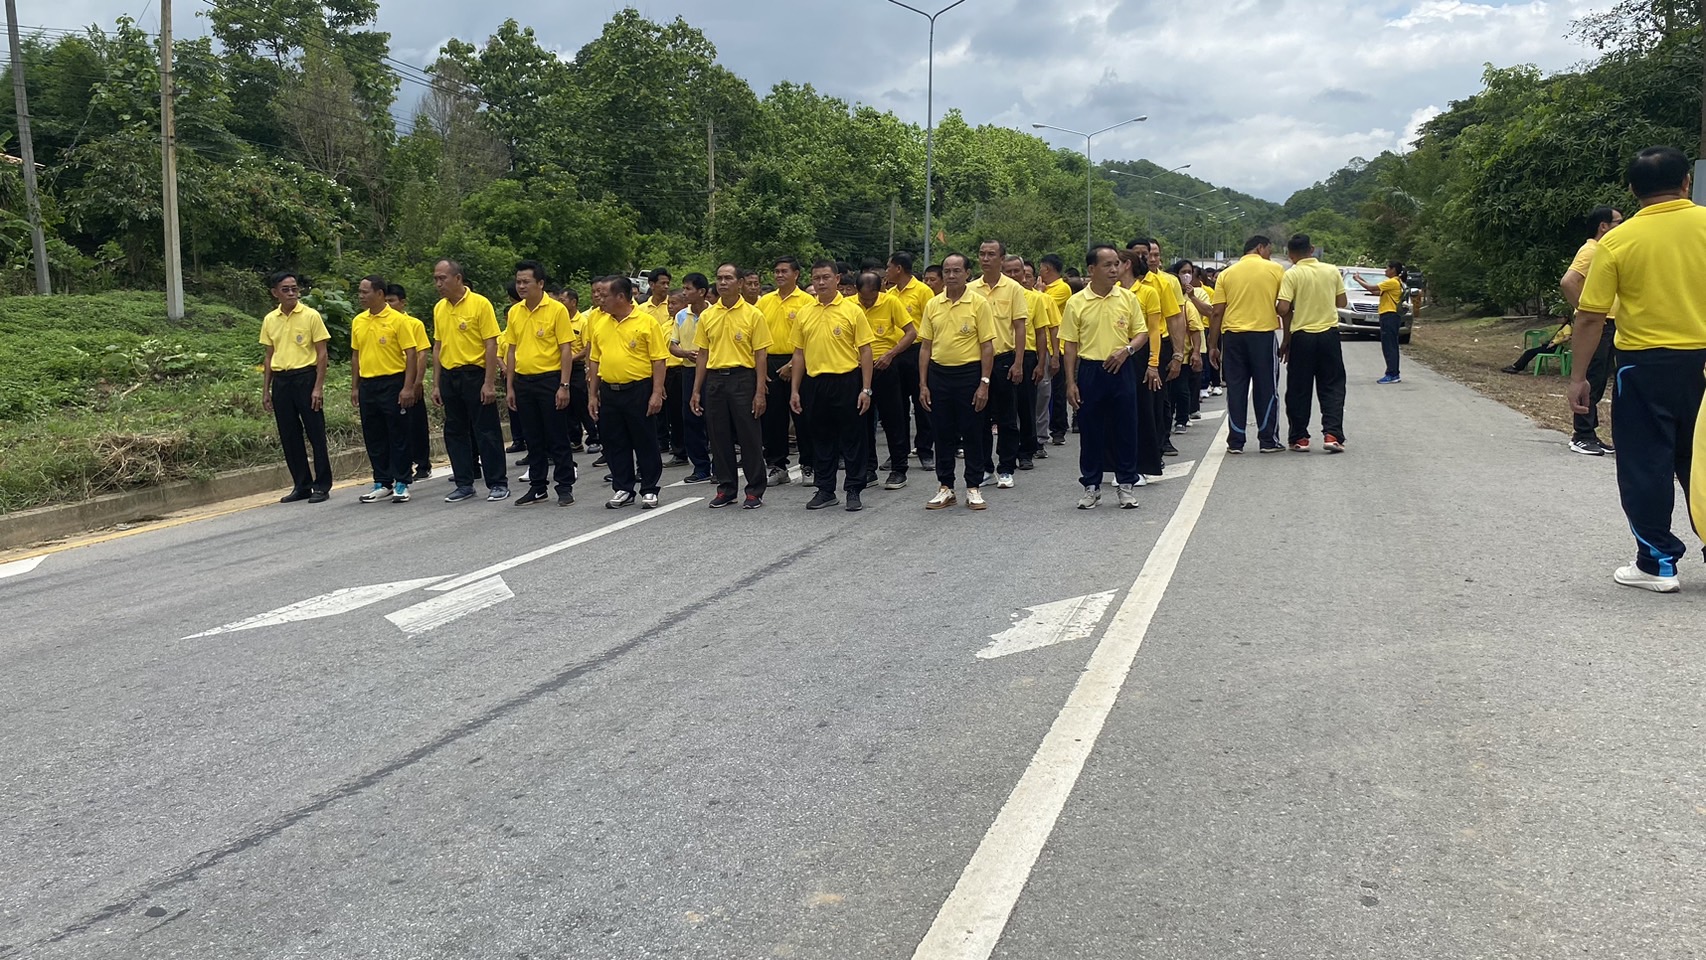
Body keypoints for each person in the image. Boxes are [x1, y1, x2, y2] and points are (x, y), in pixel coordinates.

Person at [1569, 146, 1706, 593]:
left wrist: (1579, 378)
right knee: (1703, 460)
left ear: (1632, 190)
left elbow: (1590, 316)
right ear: (1686, 182)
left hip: (1644, 368)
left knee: (1645, 464)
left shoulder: (1616, 241)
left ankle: (1657, 563)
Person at [1062, 245, 1155, 509]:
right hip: (1091, 370)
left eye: (1117, 264)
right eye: (1108, 265)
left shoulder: (1127, 298)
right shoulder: (1076, 302)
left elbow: (1141, 333)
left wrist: (1127, 350)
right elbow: (1070, 344)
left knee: (1126, 428)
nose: (1115, 269)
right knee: (1090, 430)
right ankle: (1091, 486)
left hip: (1122, 369)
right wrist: (1071, 382)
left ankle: (1126, 485)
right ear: (1092, 269)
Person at [791, 260, 876, 512]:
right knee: (821, 438)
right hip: (815, 383)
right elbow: (799, 353)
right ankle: (825, 489)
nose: (821, 282)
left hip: (847, 380)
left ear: (837, 279)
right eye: (816, 278)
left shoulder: (852, 310)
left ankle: (854, 489)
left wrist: (866, 389)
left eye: (826, 277)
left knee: (853, 438)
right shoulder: (805, 312)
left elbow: (866, 350)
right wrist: (795, 390)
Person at [917, 252, 995, 510]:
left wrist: (984, 382)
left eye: (956, 271)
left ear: (967, 274)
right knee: (942, 433)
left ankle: (973, 486)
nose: (951, 276)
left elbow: (987, 346)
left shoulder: (979, 303)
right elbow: (926, 347)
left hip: (969, 375)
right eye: (947, 271)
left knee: (972, 432)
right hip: (939, 375)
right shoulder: (933, 304)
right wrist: (923, 384)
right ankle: (945, 487)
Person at [691, 263, 772, 509]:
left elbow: (760, 355)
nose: (723, 282)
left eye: (728, 278)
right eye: (719, 278)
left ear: (740, 283)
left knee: (749, 436)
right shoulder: (708, 315)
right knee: (718, 437)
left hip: (743, 378)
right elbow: (703, 354)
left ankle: (754, 490)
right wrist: (696, 390)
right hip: (715, 380)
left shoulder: (753, 314)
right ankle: (726, 489)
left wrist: (760, 391)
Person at [431, 259, 509, 503]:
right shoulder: (440, 308)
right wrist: (436, 383)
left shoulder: (480, 304)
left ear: (458, 278)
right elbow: (438, 346)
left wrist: (489, 382)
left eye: (443, 278)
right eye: (435, 279)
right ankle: (464, 483)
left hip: (475, 374)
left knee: (486, 430)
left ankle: (497, 483)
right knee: (454, 431)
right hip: (450, 376)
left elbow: (490, 344)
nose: (438, 284)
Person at [588, 276, 669, 509]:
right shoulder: (600, 323)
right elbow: (594, 361)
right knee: (614, 441)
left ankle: (649, 489)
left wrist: (656, 393)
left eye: (605, 295)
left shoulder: (646, 322)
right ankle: (623, 488)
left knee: (645, 440)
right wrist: (592, 395)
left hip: (638, 389)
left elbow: (658, 360)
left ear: (621, 297)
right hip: (610, 391)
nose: (600, 299)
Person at [503, 261, 577, 507]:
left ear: (541, 283)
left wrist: (564, 385)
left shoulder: (556, 310)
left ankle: (564, 485)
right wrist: (510, 387)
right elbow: (511, 351)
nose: (521, 286)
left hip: (550, 380)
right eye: (518, 282)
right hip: (523, 381)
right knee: (532, 437)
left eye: (526, 282)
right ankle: (537, 487)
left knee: (556, 435)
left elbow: (565, 349)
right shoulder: (515, 312)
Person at [350, 274, 426, 503]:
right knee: (374, 435)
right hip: (368, 384)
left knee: (398, 434)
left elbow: (411, 354)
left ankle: (402, 481)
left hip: (393, 382)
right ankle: (382, 482)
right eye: (360, 292)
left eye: (365, 292)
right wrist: (355, 387)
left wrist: (408, 387)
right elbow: (356, 355)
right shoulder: (358, 321)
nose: (361, 296)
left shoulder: (398, 320)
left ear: (380, 293)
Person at [258, 270, 332, 503]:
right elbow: (269, 356)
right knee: (289, 435)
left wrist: (318, 387)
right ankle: (302, 485)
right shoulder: (270, 319)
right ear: (275, 293)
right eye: (285, 290)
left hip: (306, 377)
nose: (291, 293)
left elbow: (322, 354)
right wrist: (266, 390)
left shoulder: (311, 316)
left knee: (315, 432)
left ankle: (322, 485)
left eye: (294, 289)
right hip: (282, 381)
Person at [1559, 205, 1625, 455]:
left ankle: (1591, 434)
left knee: (1600, 379)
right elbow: (1568, 281)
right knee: (1592, 379)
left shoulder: (1605, 250)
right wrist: (1585, 310)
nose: (1622, 226)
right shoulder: (1591, 250)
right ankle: (1582, 435)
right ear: (1603, 226)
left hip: (1609, 324)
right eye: (1618, 222)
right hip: (1598, 324)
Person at [1210, 237, 1287, 454]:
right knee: (1267, 389)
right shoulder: (1275, 270)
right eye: (1269, 250)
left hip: (1233, 338)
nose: (1269, 254)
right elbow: (1284, 307)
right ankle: (1268, 440)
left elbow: (1217, 312)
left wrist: (1213, 344)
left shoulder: (1226, 274)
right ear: (1260, 248)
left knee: (1236, 389)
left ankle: (1236, 441)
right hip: (1262, 336)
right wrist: (1287, 338)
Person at [1275, 234, 1349, 453]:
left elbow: (1283, 308)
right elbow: (1342, 302)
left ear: (1290, 254)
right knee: (1332, 385)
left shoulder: (1292, 274)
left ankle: (1300, 438)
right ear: (1312, 249)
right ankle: (1332, 435)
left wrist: (1286, 337)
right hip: (1329, 335)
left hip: (1302, 336)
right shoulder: (1331, 270)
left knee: (1299, 388)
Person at [968, 240, 1029, 490]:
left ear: (1001, 259)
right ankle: (984, 468)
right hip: (976, 361)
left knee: (1006, 418)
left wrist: (1018, 362)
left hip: (1004, 359)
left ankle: (1006, 468)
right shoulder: (970, 289)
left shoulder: (1013, 288)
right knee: (978, 417)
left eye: (991, 254)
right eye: (982, 254)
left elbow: (1020, 327)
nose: (985, 258)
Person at [757, 256, 817, 484]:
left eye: (784, 271)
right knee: (773, 418)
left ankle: (809, 465)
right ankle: (777, 465)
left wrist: (792, 364)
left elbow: (811, 338)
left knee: (803, 416)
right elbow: (756, 338)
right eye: (776, 271)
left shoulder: (807, 301)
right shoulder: (765, 302)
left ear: (796, 274)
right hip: (770, 362)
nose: (779, 275)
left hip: (799, 362)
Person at [856, 270, 918, 490]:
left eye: (871, 298)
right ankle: (868, 469)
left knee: (893, 420)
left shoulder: (890, 302)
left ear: (879, 289)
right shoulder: (850, 305)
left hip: (885, 366)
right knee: (862, 421)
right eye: (863, 298)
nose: (867, 302)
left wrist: (891, 354)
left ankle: (899, 469)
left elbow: (911, 332)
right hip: (858, 369)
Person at [887, 252, 935, 471]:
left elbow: (931, 323)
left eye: (889, 267)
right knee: (897, 406)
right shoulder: (889, 294)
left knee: (922, 402)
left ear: (899, 268)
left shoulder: (923, 291)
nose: (886, 272)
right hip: (894, 352)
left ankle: (925, 450)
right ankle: (899, 452)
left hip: (916, 351)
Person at [1002, 254, 1051, 469]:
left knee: (1027, 406)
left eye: (1017, 271)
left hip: (1028, 356)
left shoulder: (1035, 299)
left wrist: (1041, 363)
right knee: (1005, 410)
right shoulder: (996, 297)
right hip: (1003, 355)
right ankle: (1007, 452)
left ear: (1024, 274)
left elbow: (1041, 333)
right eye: (1008, 271)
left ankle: (1026, 452)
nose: (1013, 275)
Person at [384, 284, 433, 482]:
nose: (388, 304)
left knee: (416, 424)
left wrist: (417, 381)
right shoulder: (381, 322)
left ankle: (423, 463)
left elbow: (421, 354)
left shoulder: (414, 324)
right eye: (385, 301)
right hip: (393, 379)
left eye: (392, 301)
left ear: (402, 302)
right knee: (396, 426)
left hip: (410, 378)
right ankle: (401, 466)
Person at [639, 268, 686, 466]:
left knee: (682, 413)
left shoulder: (683, 317)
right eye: (662, 283)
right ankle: (666, 444)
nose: (666, 287)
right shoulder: (644, 311)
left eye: (668, 283)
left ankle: (683, 449)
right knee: (664, 412)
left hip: (682, 368)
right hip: (661, 368)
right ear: (651, 284)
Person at [670, 274, 714, 483]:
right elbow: (672, 345)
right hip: (688, 371)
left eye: (688, 289)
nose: (684, 293)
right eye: (684, 288)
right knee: (691, 418)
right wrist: (685, 353)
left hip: (712, 371)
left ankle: (720, 466)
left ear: (702, 292)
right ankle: (701, 467)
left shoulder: (715, 313)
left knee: (715, 420)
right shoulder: (681, 316)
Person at [1039, 253, 1073, 445]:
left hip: (1057, 345)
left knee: (1057, 390)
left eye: (1041, 268)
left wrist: (1039, 291)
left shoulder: (1062, 288)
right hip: (1041, 344)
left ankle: (1059, 429)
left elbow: (1043, 305)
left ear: (1047, 269)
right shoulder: (1045, 288)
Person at [1354, 262, 1407, 383]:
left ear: (1393, 270)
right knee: (1390, 345)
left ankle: (1392, 374)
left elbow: (1371, 288)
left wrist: (1357, 280)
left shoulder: (1392, 282)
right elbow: (1375, 292)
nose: (1385, 270)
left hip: (1389, 315)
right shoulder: (1396, 282)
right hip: (1391, 316)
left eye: (1387, 268)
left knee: (1389, 346)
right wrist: (1361, 279)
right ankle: (1393, 372)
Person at [1501, 321, 1572, 375]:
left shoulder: (1567, 327)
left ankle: (1517, 367)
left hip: (1555, 348)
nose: (1559, 319)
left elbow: (1567, 338)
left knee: (1529, 352)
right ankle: (1515, 366)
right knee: (1531, 351)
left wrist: (1555, 343)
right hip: (1551, 346)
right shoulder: (1563, 327)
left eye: (1561, 317)